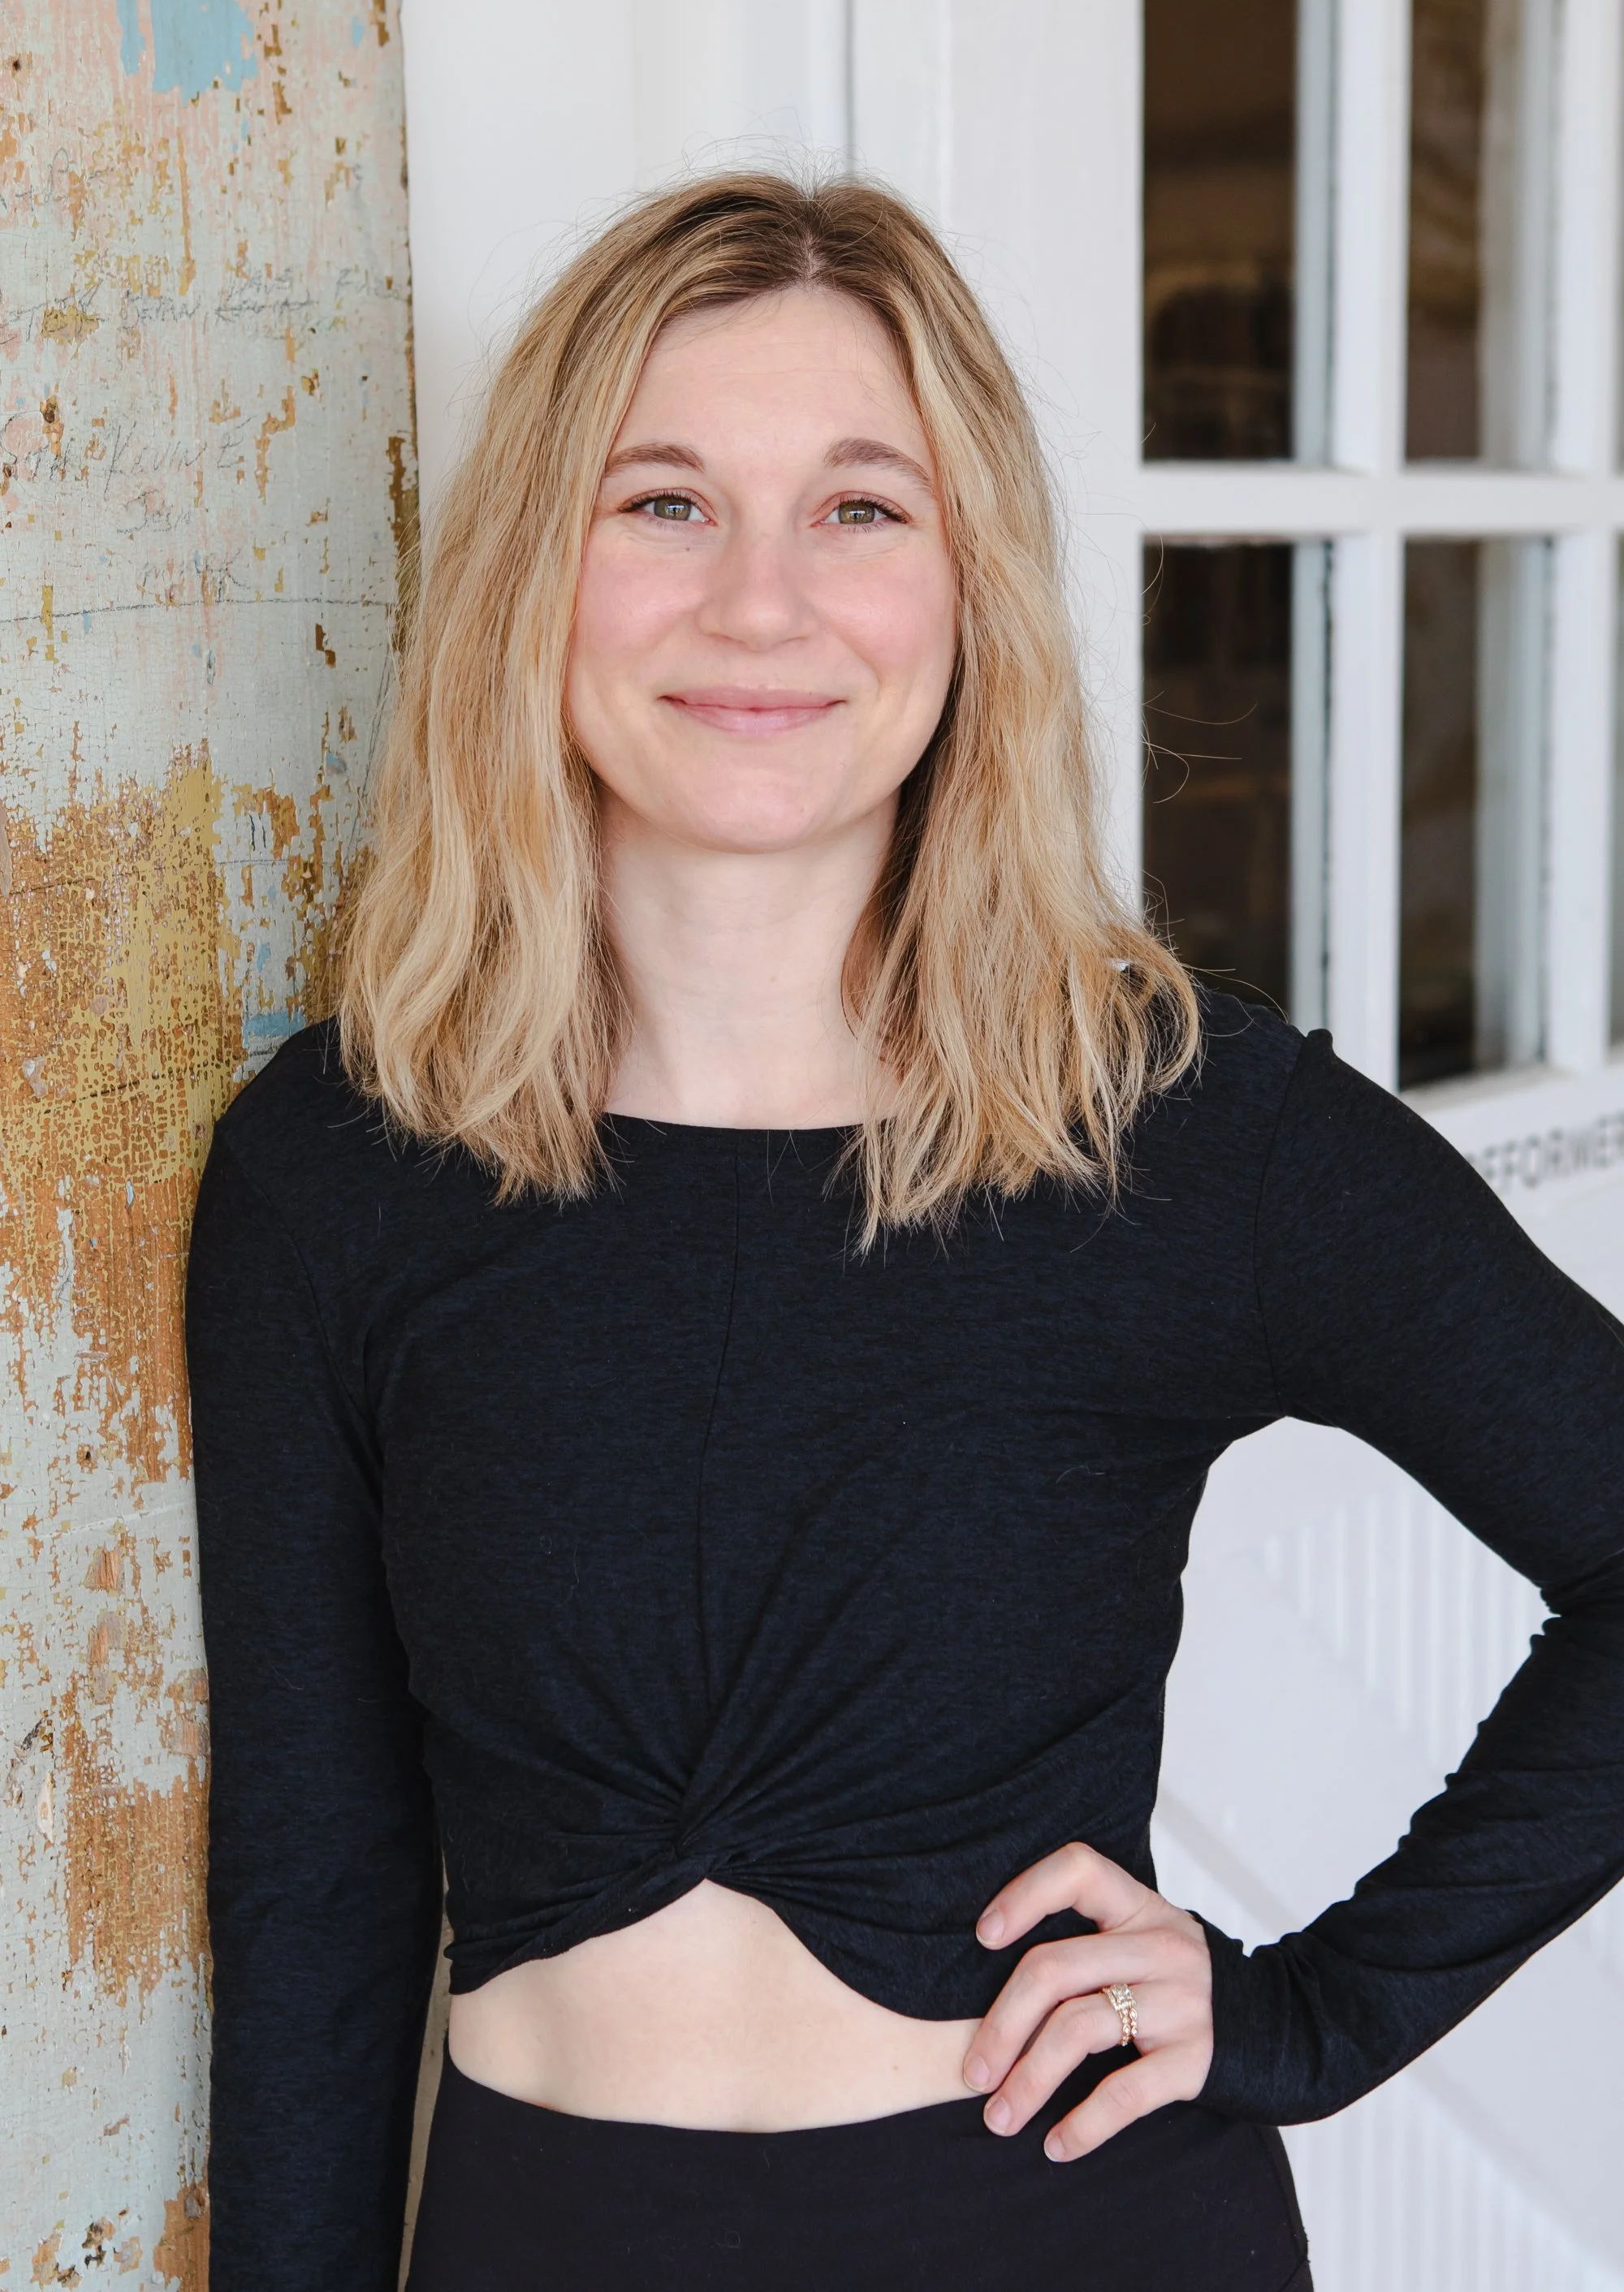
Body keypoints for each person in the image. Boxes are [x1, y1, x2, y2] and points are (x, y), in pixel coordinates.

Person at [187, 172, 1624, 2292]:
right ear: (531, 572)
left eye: (863, 509)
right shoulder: (337, 1163)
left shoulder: (1177, 1131)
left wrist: (1315, 2017)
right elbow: (316, 1889)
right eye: (662, 502)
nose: (760, 605)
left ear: (971, 589)